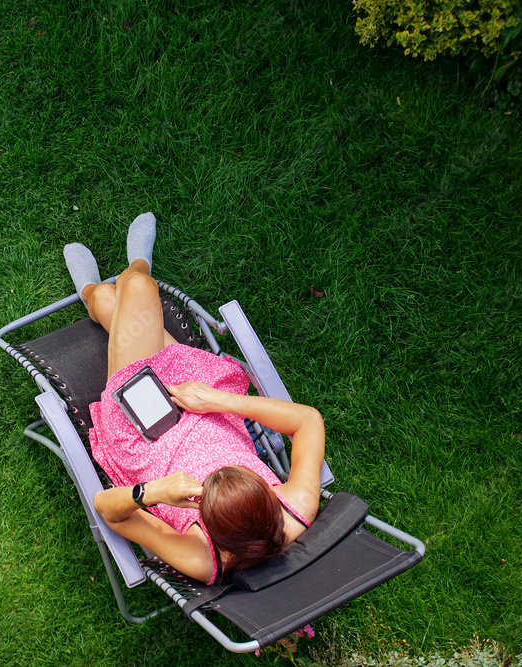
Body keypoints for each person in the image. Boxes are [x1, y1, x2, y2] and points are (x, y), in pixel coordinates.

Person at [63, 212, 325, 586]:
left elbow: (107, 510)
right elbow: (309, 421)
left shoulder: (202, 557)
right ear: (270, 500)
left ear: (210, 526)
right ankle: (109, 286)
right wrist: (219, 401)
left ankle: (113, 281)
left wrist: (154, 492)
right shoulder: (293, 510)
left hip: (144, 431)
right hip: (206, 402)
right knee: (122, 299)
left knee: (138, 290)